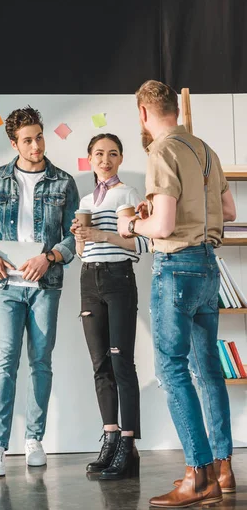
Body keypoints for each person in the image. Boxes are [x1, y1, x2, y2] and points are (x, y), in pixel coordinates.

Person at [117, 80, 237, 507]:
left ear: (144, 113)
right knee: (207, 369)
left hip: (176, 268)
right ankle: (223, 467)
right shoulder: (205, 149)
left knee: (171, 369)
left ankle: (197, 474)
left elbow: (164, 228)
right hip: (208, 266)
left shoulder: (161, 151)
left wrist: (131, 224)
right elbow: (228, 212)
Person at [0, 106, 79, 477]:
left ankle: (34, 439)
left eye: (39, 137)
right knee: (5, 361)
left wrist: (49, 257)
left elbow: (73, 236)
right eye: (27, 140)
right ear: (13, 143)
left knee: (41, 362)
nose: (36, 145)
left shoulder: (63, 182)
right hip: (6, 286)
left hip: (45, 285)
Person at [71, 134, 148, 480]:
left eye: (113, 153)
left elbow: (136, 245)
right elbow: (82, 252)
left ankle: (128, 447)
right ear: (89, 158)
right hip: (89, 279)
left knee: (121, 363)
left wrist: (102, 235)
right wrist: (79, 236)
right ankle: (111, 436)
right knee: (100, 363)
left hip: (119, 278)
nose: (105, 159)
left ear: (120, 158)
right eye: (99, 154)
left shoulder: (127, 194)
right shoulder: (86, 199)